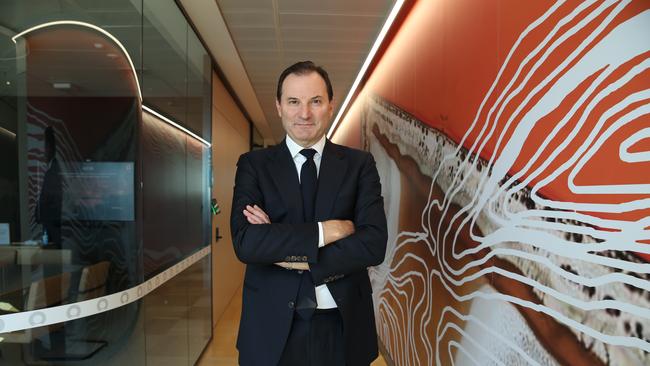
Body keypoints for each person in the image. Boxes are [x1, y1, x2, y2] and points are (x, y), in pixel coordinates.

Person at [230, 61, 388, 366]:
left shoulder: (359, 165)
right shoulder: (254, 165)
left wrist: (294, 257)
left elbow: (373, 243)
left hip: (343, 327)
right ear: (278, 107)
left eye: (315, 101)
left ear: (330, 105)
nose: (305, 113)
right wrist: (326, 232)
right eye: (294, 102)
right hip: (270, 326)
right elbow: (247, 242)